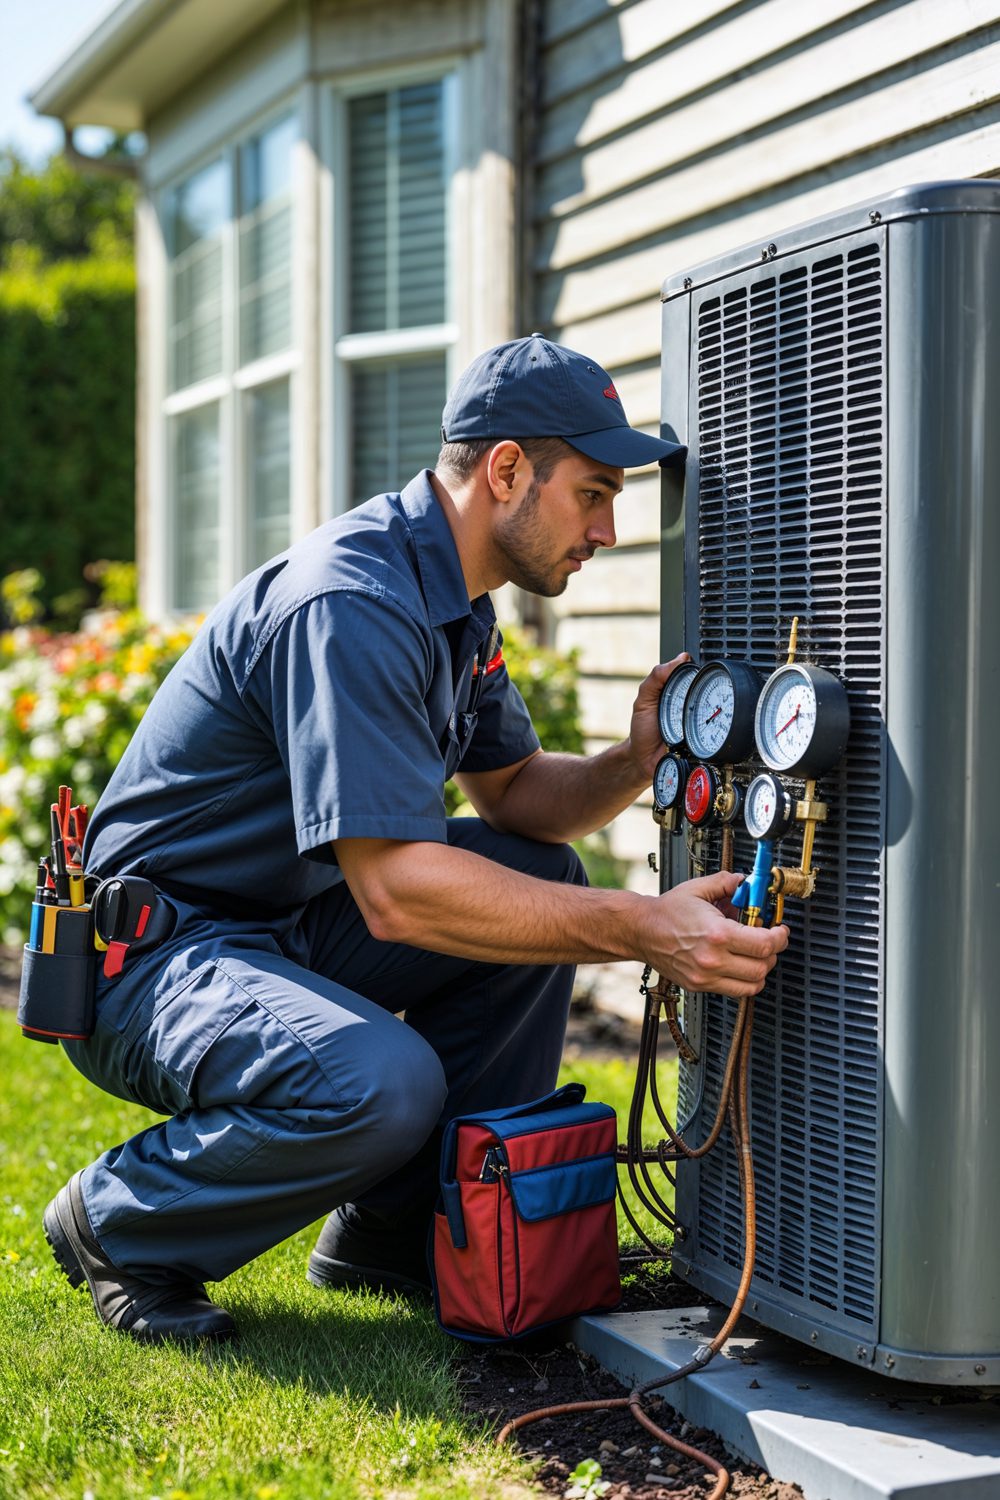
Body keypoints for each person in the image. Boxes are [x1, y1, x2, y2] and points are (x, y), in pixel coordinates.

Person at [43, 334, 787, 1344]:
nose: (608, 529)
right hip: (154, 959)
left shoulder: (454, 608)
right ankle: (119, 1224)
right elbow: (398, 892)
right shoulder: (354, 602)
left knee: (535, 876)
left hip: (278, 931)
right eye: (595, 493)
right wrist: (641, 927)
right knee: (380, 1082)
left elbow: (518, 796)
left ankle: (397, 1227)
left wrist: (629, 761)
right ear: (508, 470)